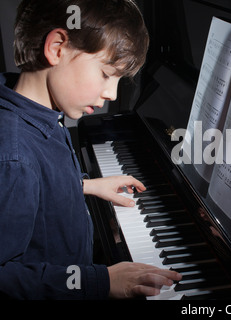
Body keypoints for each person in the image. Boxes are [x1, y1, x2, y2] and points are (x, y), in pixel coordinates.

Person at [0, 0, 181, 299]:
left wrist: (83, 185)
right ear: (57, 47)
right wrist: (101, 281)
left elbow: (35, 181)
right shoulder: (13, 156)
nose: (111, 93)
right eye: (106, 74)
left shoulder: (35, 109)